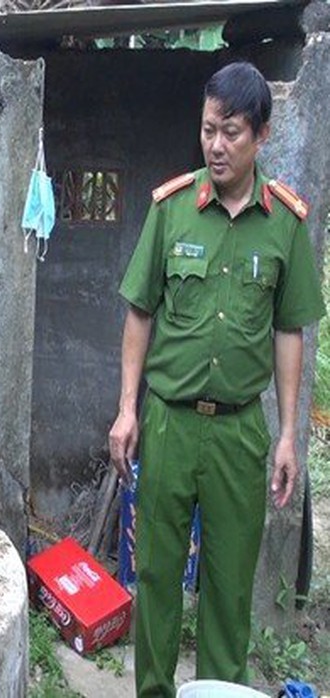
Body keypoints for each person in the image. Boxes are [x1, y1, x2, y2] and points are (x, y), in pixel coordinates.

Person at [108, 62, 324, 697]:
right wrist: (128, 409)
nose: (216, 145)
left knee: (230, 589)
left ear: (261, 134)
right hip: (170, 423)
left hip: (238, 435)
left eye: (231, 132)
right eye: (208, 130)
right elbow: (139, 312)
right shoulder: (172, 209)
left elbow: (291, 332)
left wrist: (288, 434)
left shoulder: (285, 223)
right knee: (155, 579)